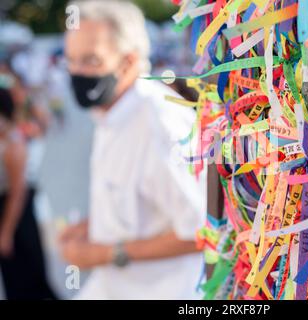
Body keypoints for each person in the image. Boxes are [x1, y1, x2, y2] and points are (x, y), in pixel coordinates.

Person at [60, 0, 206, 299]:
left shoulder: (159, 125)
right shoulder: (111, 113)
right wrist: (93, 227)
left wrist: (105, 253)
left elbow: (200, 231)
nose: (76, 71)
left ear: (128, 62)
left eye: (91, 60)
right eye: (71, 60)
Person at [0, 83, 57, 300]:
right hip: (10, 212)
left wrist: (5, 232)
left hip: (17, 216)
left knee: (26, 275)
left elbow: (17, 193)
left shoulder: (14, 142)